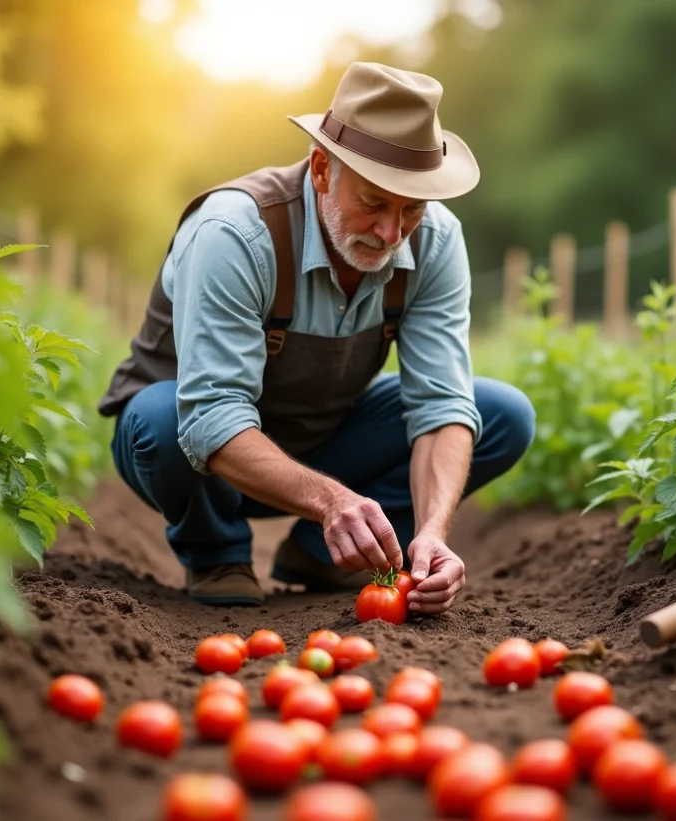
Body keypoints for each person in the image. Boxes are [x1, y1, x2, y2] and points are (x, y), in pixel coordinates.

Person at [97, 61, 534, 614]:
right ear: (323, 168)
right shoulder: (235, 233)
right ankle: (217, 552)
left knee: (499, 414)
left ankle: (319, 556)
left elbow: (441, 404)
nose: (391, 233)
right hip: (195, 457)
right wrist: (331, 502)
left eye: (411, 210)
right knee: (164, 420)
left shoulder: (437, 241)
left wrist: (432, 531)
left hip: (326, 439)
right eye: (374, 202)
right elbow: (211, 415)